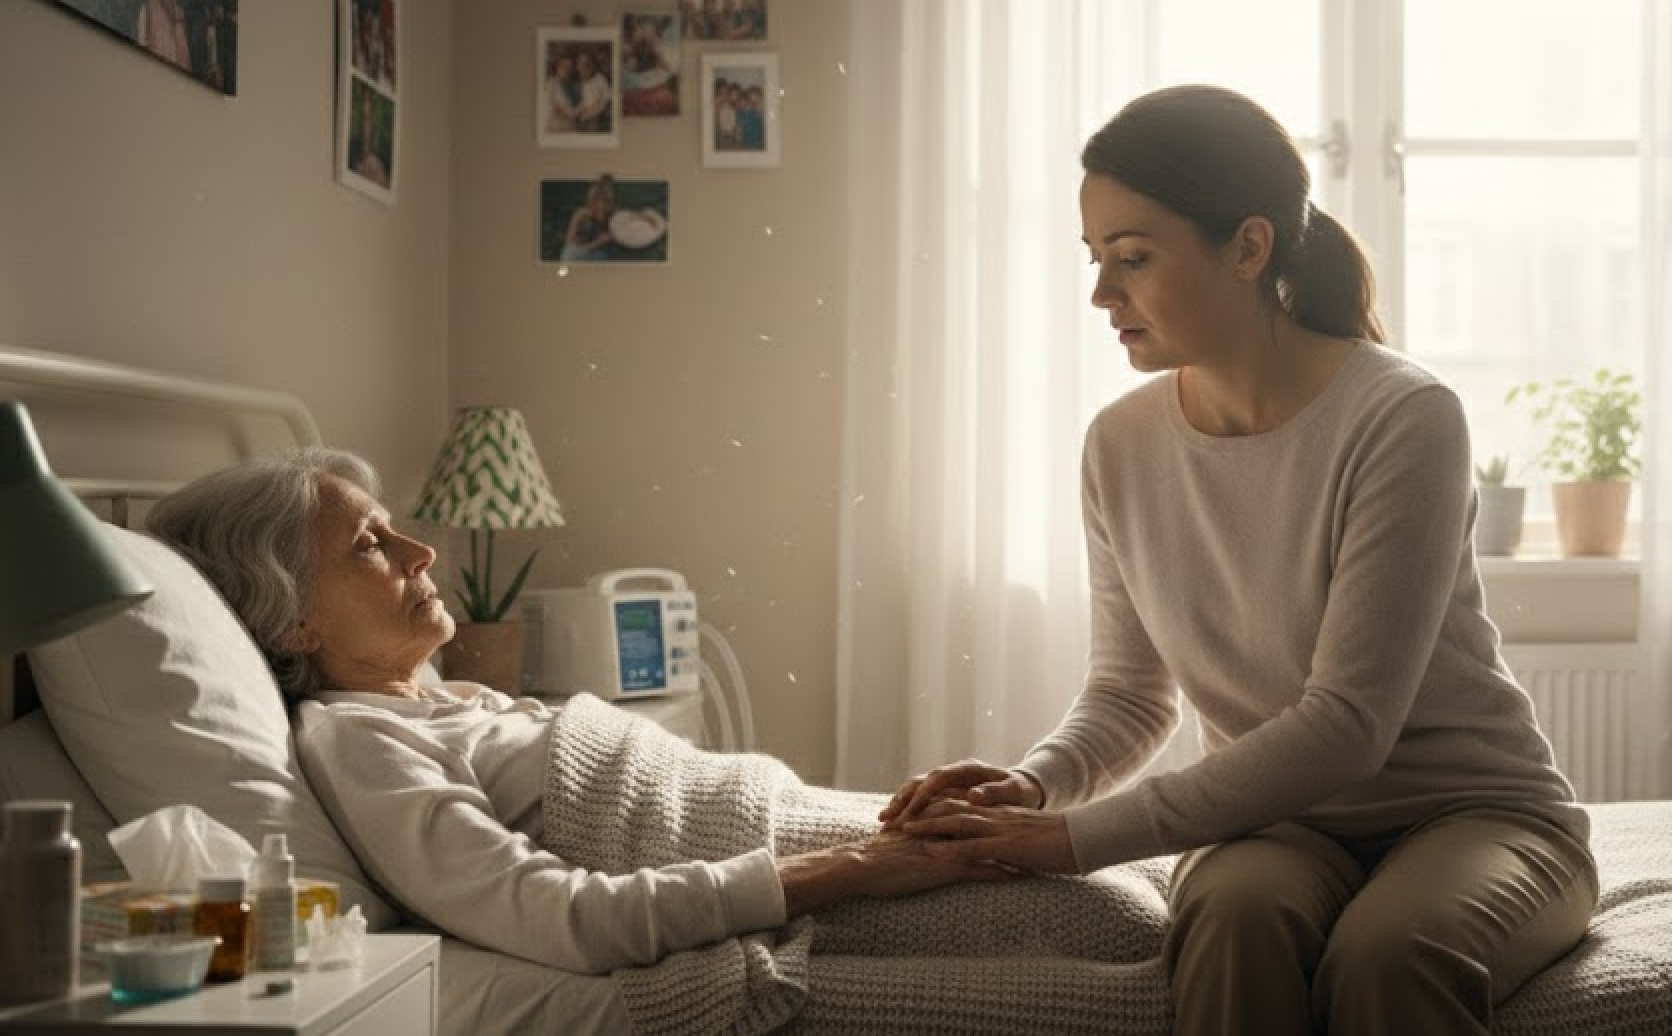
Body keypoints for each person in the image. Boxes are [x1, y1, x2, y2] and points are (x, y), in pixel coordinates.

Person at [882, 84, 1598, 1036]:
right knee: (1232, 925)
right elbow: (1130, 696)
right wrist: (1036, 784)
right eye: (1095, 259)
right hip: (1276, 828)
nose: (1102, 295)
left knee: (1392, 956)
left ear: (1249, 247)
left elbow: (1346, 727)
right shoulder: (1118, 446)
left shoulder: (1403, 416)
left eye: (1133, 258)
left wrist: (1070, 838)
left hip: (1477, 815)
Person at [143, 449, 1011, 977]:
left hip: (794, 821)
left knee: (1043, 845)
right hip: (807, 868)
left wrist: (879, 819)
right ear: (292, 620)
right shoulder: (361, 741)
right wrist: (858, 863)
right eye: (371, 545)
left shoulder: (451, 699)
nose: (421, 551)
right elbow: (565, 918)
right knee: (1077, 903)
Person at [559, 177, 616, 261]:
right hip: (578, 250)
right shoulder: (582, 213)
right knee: (571, 251)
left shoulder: (613, 216)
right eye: (596, 199)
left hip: (598, 253)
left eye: (605, 200)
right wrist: (596, 241)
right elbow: (570, 239)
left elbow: (628, 219)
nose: (600, 203)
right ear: (590, 200)